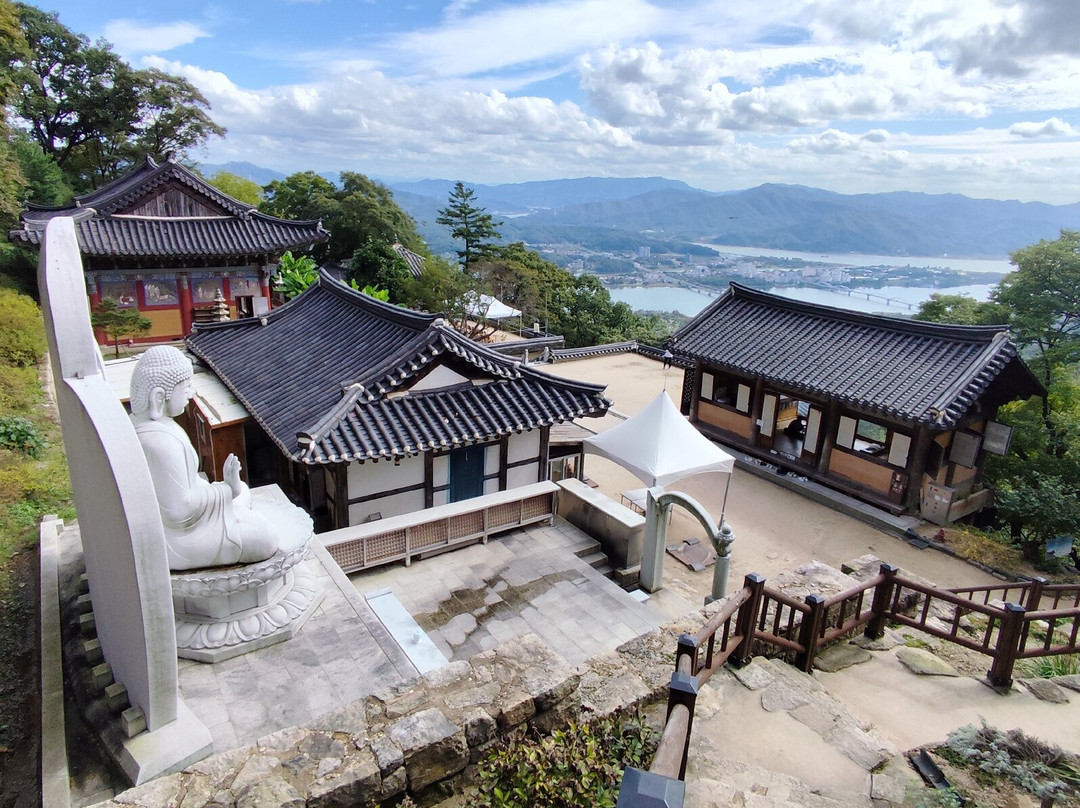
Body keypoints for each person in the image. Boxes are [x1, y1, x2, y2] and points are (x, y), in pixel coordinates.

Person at [130, 346, 280, 570]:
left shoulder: (156, 425)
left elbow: (186, 484)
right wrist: (226, 491)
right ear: (159, 396)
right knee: (265, 537)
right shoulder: (159, 442)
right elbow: (179, 511)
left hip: (186, 523)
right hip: (178, 538)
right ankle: (236, 513)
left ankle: (235, 510)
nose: (191, 394)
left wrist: (226, 489)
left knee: (244, 491)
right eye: (186, 387)